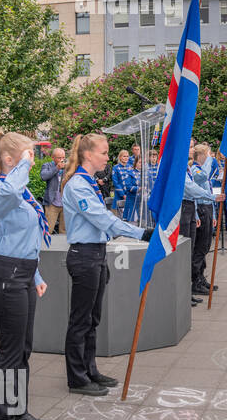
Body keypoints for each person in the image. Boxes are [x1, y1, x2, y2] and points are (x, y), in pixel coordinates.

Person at [61, 133, 148, 396]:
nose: (107, 157)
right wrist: (142, 233)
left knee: (93, 318)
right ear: (88, 155)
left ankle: (90, 369)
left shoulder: (90, 183)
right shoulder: (78, 185)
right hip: (84, 255)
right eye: (103, 152)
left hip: (97, 253)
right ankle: (77, 378)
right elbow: (103, 220)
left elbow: (104, 220)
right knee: (80, 320)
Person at [0, 131, 53, 420]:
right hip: (5, 275)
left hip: (22, 273)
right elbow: (10, 191)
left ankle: (17, 409)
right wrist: (21, 164)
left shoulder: (19, 190)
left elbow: (25, 241)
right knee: (10, 351)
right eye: (28, 155)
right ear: (10, 159)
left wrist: (35, 276)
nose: (33, 161)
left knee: (23, 349)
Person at [186, 145, 224, 297]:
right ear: (201, 155)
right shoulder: (195, 169)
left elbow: (207, 189)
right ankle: (196, 280)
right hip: (200, 207)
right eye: (208, 153)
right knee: (200, 246)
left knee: (205, 245)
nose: (210, 156)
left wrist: (214, 214)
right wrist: (208, 161)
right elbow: (202, 178)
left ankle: (201, 277)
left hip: (207, 207)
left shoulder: (199, 168)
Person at [39, 148, 66, 234]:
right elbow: (44, 176)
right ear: (53, 157)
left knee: (64, 231)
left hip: (65, 203)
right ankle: (44, 247)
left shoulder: (67, 167)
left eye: (63, 157)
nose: (62, 160)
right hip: (52, 203)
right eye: (59, 158)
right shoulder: (47, 165)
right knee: (48, 230)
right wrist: (56, 168)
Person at [111, 150, 138, 222]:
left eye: (127, 156)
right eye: (124, 156)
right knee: (119, 218)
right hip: (120, 195)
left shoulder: (131, 168)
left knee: (130, 217)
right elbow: (116, 183)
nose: (126, 158)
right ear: (120, 157)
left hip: (130, 195)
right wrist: (123, 194)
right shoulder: (115, 168)